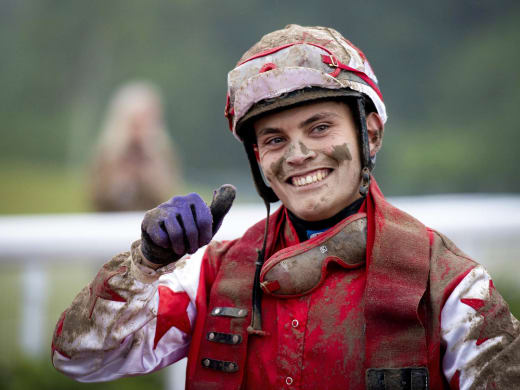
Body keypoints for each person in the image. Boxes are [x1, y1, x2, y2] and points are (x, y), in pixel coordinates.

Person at [52, 25, 519, 389]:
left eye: (319, 128)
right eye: (275, 139)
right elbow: (81, 359)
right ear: (258, 157)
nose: (297, 155)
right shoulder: (212, 275)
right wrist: (145, 263)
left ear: (370, 134)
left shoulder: (453, 285)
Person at [88, 81, 182, 211]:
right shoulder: (107, 154)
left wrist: (149, 174)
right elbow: (95, 195)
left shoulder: (162, 152)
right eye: (135, 121)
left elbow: (169, 194)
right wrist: (120, 182)